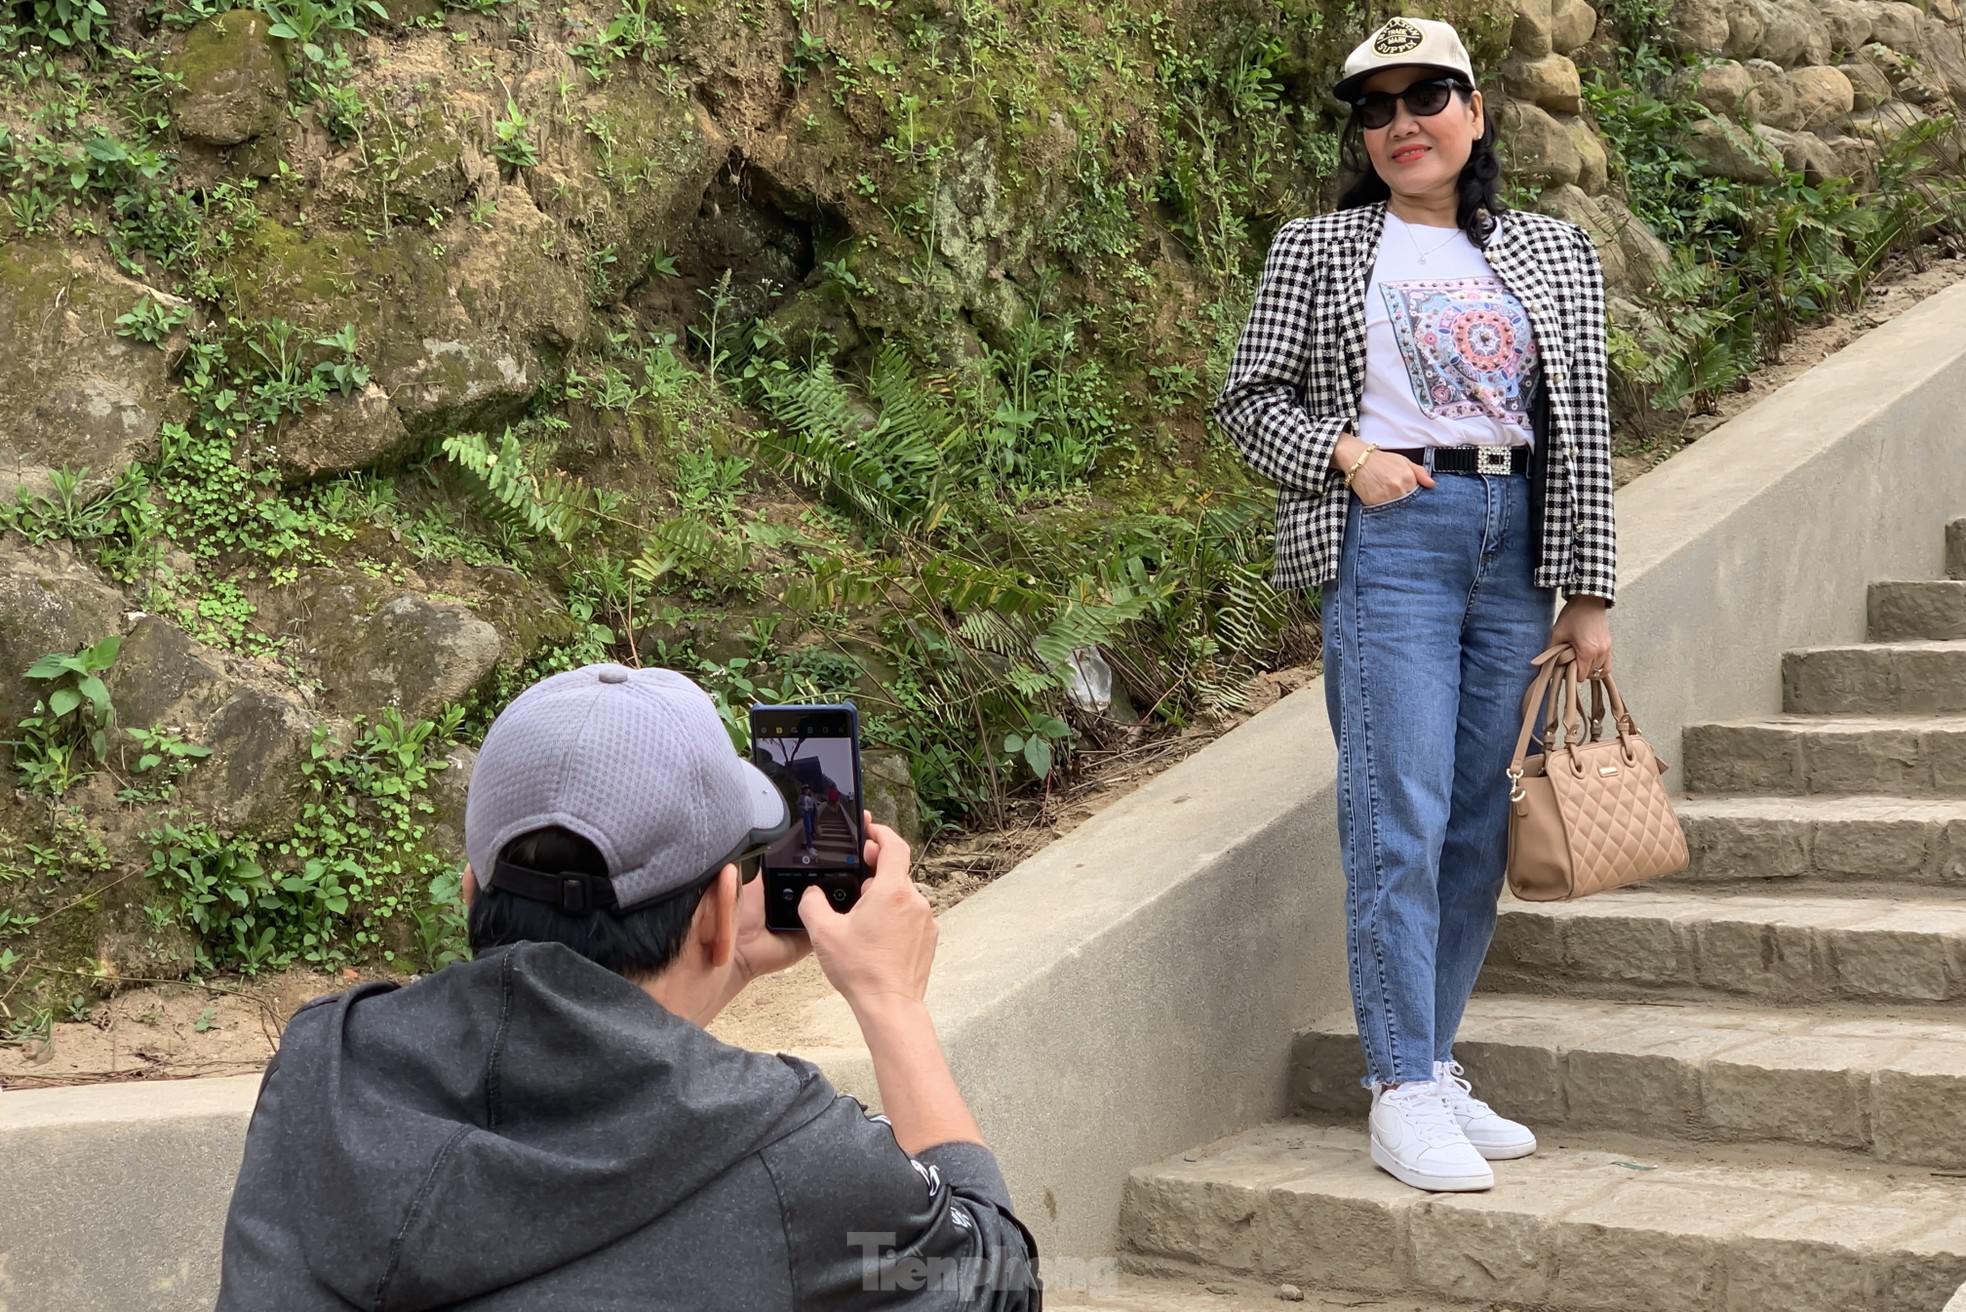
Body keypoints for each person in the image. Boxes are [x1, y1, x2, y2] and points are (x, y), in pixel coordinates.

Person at [215, 664, 1041, 1309]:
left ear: (471, 893)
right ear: (721, 904)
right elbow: (996, 1281)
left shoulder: (321, 1066)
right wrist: (889, 1000)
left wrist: (733, 957)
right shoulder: (795, 1158)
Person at [1213, 17, 1617, 1194]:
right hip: (1392, 536)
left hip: (1515, 538)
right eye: (1376, 108)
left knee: (1477, 825)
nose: (1402, 124)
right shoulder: (1319, 247)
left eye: (1426, 96)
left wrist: (1587, 589)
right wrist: (1345, 452)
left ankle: (1431, 1061)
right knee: (1398, 812)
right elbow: (1246, 401)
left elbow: (1582, 428)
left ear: (1475, 110)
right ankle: (1396, 1086)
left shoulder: (1551, 250)